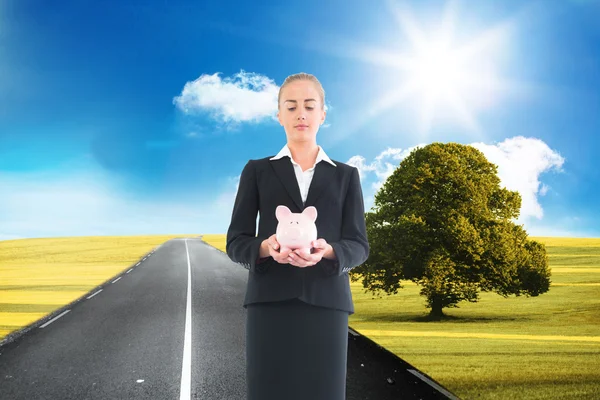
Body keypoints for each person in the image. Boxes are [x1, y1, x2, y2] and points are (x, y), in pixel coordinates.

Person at [226, 72, 369, 400]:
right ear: (279, 116)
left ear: (323, 114)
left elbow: (359, 245)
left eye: (309, 105)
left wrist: (329, 251)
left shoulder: (346, 176)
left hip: (327, 303)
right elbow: (236, 240)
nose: (300, 114)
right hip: (269, 303)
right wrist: (265, 247)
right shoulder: (257, 171)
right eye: (291, 107)